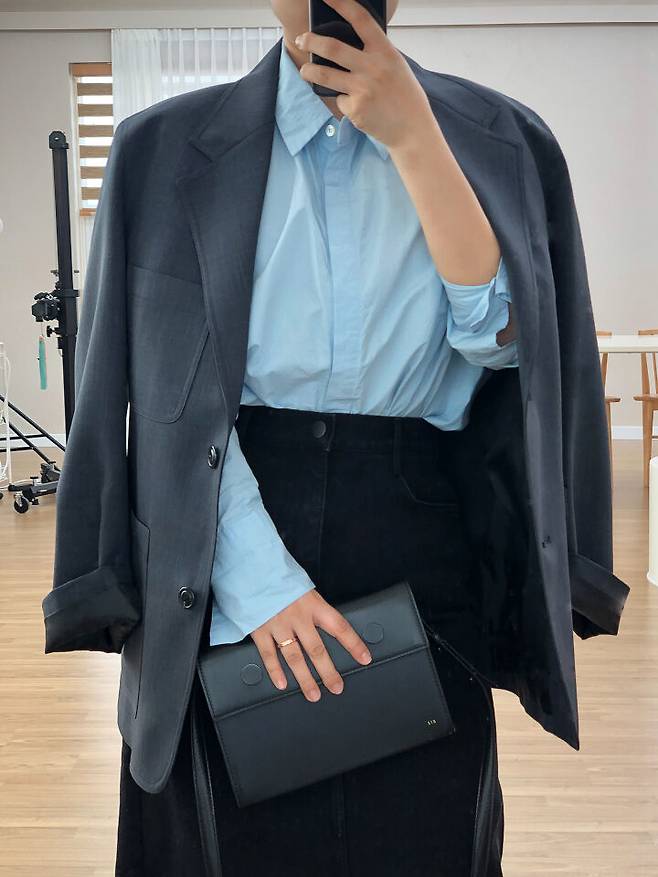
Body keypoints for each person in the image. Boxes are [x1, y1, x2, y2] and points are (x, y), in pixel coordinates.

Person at [114, 0, 516, 873]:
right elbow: (161, 384)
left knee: (426, 837)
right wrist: (256, 577)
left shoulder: (494, 140)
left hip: (420, 532)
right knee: (232, 844)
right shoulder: (161, 148)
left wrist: (416, 139)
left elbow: (503, 340)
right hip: (220, 542)